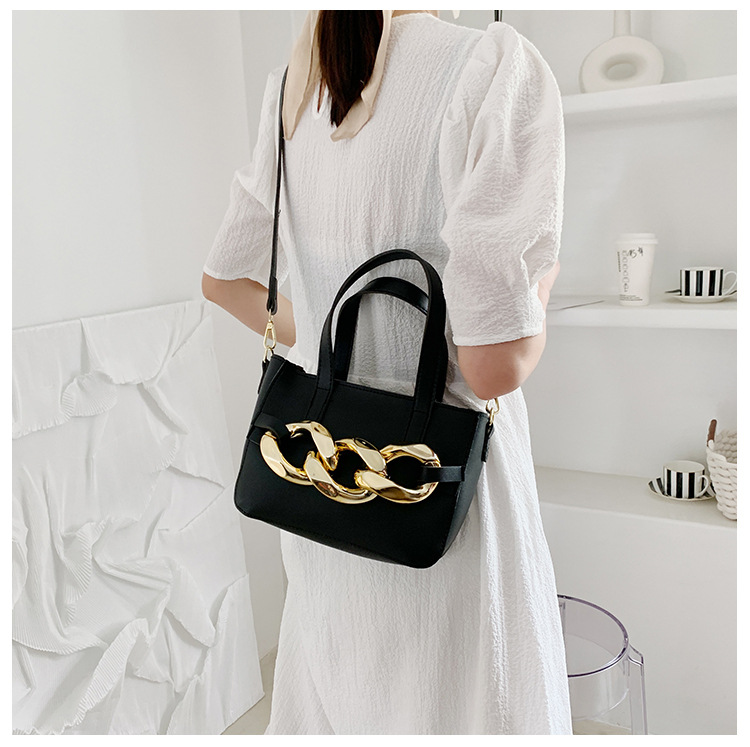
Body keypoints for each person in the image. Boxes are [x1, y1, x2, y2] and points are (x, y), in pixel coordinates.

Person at [202, 10, 570, 735]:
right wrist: (545, 284)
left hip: (323, 504)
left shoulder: (297, 84)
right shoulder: (492, 71)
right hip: (441, 513)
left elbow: (223, 281)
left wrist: (329, 346)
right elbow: (494, 366)